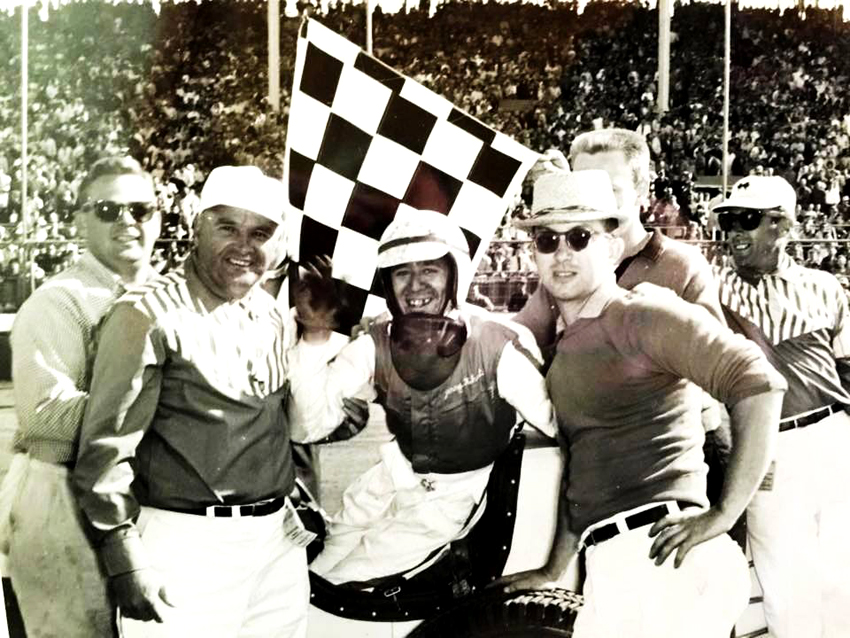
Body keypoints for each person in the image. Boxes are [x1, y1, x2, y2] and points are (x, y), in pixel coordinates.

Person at [500, 169, 786, 638]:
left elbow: (760, 383)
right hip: (614, 562)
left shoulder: (641, 314)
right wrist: (554, 569)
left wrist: (724, 514)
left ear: (612, 248)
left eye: (579, 237)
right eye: (547, 240)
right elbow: (583, 469)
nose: (562, 253)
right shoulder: (566, 349)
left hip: (663, 558)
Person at [72, 166, 343, 637]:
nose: (244, 246)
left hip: (276, 543)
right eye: (227, 227)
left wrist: (317, 336)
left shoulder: (271, 315)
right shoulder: (145, 313)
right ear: (196, 228)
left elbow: (290, 429)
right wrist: (123, 555)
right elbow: (104, 452)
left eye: (260, 233)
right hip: (186, 544)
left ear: (278, 244)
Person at [287, 208, 556, 585]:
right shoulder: (376, 342)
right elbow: (308, 428)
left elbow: (557, 428)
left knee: (341, 589)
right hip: (387, 485)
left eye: (429, 270)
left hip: (456, 501)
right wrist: (315, 337)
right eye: (402, 273)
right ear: (388, 283)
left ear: (454, 275)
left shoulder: (498, 344)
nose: (414, 287)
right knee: (311, 581)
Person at [515, 129, 733, 512]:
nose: (592, 199)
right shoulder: (565, 269)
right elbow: (520, 342)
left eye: (609, 188)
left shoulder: (681, 265)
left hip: (672, 461)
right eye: (583, 184)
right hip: (591, 456)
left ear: (642, 190)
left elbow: (720, 378)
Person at [0, 156, 161, 638]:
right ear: (80, 221)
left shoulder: (166, 295)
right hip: (63, 498)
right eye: (108, 210)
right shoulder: (60, 300)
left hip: (136, 499)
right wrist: (167, 407)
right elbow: (47, 418)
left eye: (141, 209)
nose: (127, 221)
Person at [712, 175, 850, 638]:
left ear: (783, 225)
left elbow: (847, 364)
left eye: (748, 219)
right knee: (786, 586)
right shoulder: (712, 290)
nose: (735, 230)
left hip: (833, 437)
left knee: (842, 576)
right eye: (729, 220)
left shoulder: (824, 286)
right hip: (767, 446)